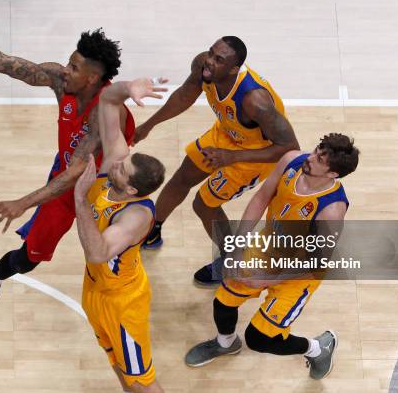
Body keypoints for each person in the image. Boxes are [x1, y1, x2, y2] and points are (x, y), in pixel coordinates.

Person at [0, 25, 135, 329]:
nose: (65, 70)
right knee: (29, 259)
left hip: (104, 188)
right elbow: (2, 63)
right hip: (66, 181)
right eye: (68, 63)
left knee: (110, 256)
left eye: (74, 67)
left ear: (92, 78)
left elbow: (78, 170)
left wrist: (23, 203)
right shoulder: (60, 81)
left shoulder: (107, 111)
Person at [184, 134, 359, 380]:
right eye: (316, 150)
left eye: (319, 159)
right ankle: (226, 343)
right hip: (268, 247)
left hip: (299, 271)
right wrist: (237, 244)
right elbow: (261, 198)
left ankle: (318, 348)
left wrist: (265, 280)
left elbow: (317, 262)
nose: (309, 158)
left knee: (259, 339)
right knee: (223, 301)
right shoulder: (291, 160)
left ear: (333, 174)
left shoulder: (331, 210)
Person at [133, 36, 299, 286]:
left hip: (256, 154)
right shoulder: (203, 66)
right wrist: (149, 125)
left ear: (234, 68)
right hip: (227, 134)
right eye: (211, 53)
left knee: (204, 204)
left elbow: (289, 148)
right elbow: (183, 96)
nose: (209, 61)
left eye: (218, 59)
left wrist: (232, 157)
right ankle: (152, 231)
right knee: (182, 178)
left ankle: (230, 260)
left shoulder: (254, 100)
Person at [74, 77, 167, 392]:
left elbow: (97, 252)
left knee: (142, 382)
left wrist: (79, 198)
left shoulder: (136, 216)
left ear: (130, 189)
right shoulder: (118, 165)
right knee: (117, 364)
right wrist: (127, 89)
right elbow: (107, 103)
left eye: (121, 169)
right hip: (95, 288)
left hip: (123, 301)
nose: (114, 164)